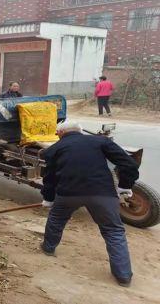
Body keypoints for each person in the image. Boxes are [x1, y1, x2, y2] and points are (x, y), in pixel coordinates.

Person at [40, 121, 139, 287]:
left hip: (68, 194)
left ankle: (48, 248)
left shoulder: (54, 149)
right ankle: (123, 276)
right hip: (102, 194)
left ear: (60, 133)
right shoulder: (100, 141)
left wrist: (48, 198)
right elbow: (129, 164)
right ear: (80, 131)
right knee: (113, 230)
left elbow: (49, 178)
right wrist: (125, 186)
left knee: (56, 219)